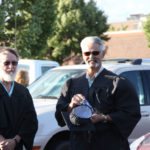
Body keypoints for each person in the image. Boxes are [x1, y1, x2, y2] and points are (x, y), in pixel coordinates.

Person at [55, 36, 141, 150]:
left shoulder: (117, 83)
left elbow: (131, 113)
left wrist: (104, 118)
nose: (91, 57)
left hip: (109, 143)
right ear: (82, 55)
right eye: (87, 53)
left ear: (103, 54)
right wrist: (71, 105)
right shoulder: (72, 83)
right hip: (79, 144)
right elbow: (59, 115)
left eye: (95, 53)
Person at [0, 47, 38, 150]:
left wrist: (15, 140)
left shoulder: (23, 92)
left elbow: (31, 121)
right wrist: (1, 141)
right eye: (6, 63)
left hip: (17, 146)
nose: (11, 66)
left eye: (14, 63)